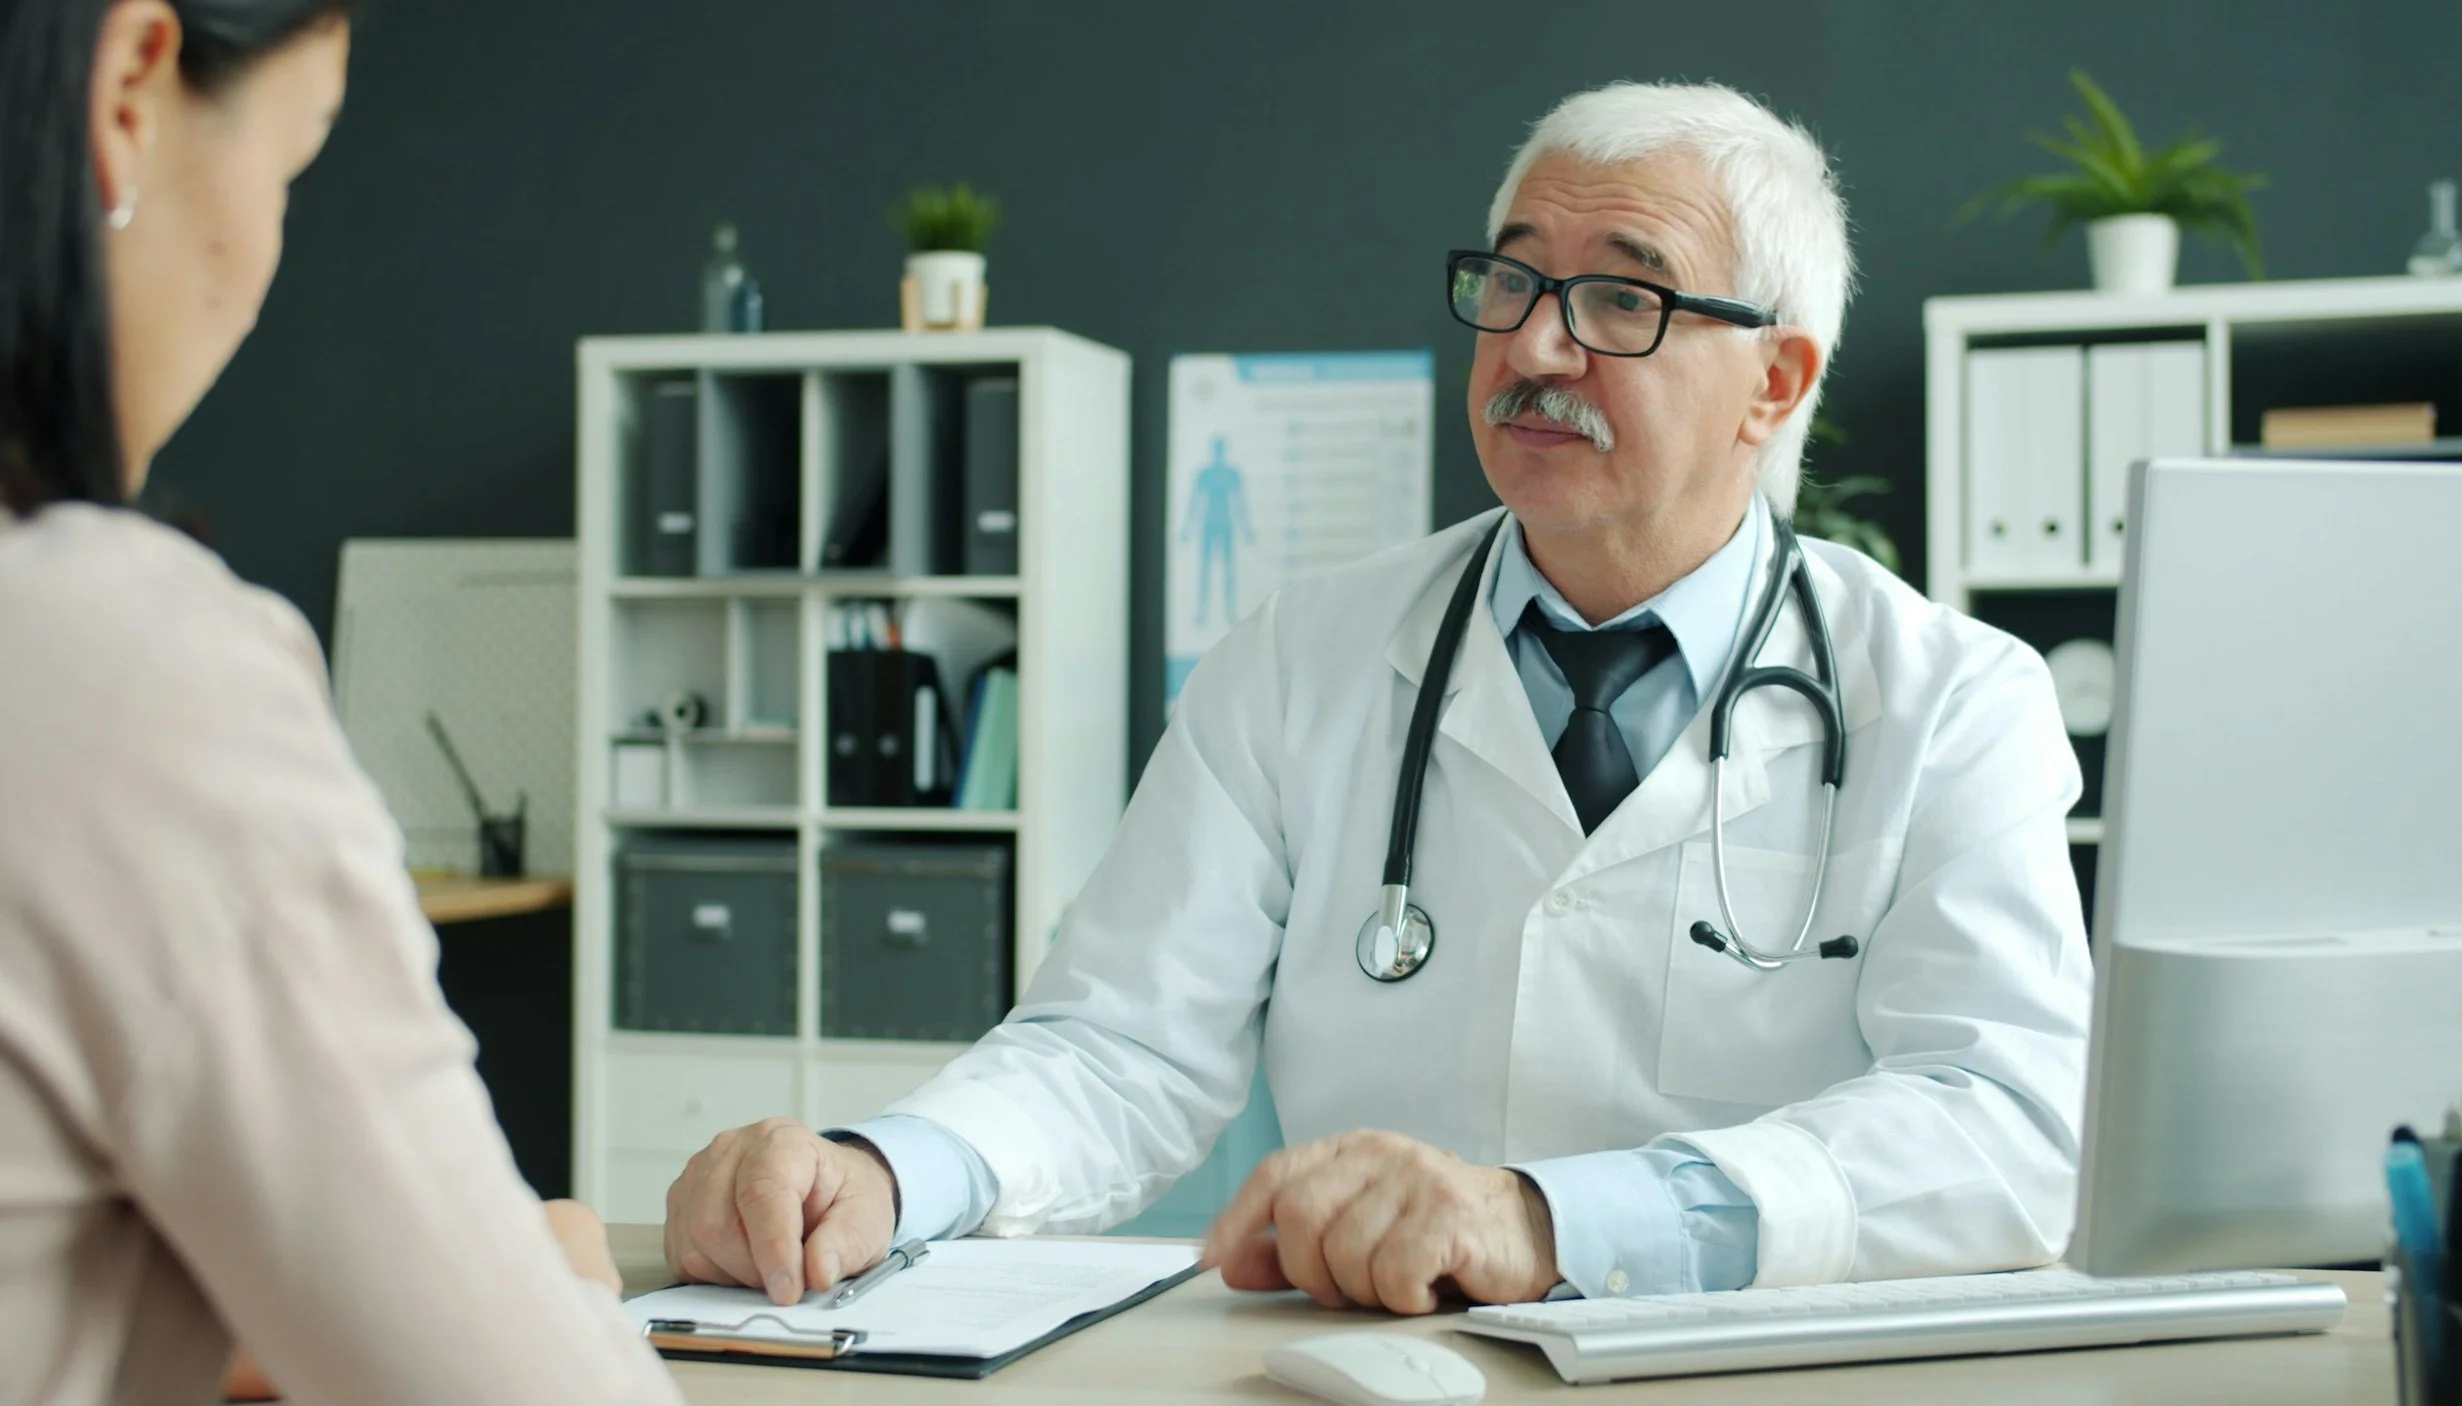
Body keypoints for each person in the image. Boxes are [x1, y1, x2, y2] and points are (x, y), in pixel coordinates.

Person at [666, 80, 2090, 1316]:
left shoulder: (1950, 700)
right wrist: (884, 1171)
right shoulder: (1306, 658)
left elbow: (2012, 1125)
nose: (1535, 347)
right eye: (1516, 282)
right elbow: (1116, 1042)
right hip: (1372, 1366)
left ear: (1775, 381)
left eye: (1620, 297)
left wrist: (1553, 1222)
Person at [0, 3, 681, 1402]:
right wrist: (531, 1283)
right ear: (131, 85)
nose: (265, 261)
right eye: (294, 164)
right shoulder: (119, 664)